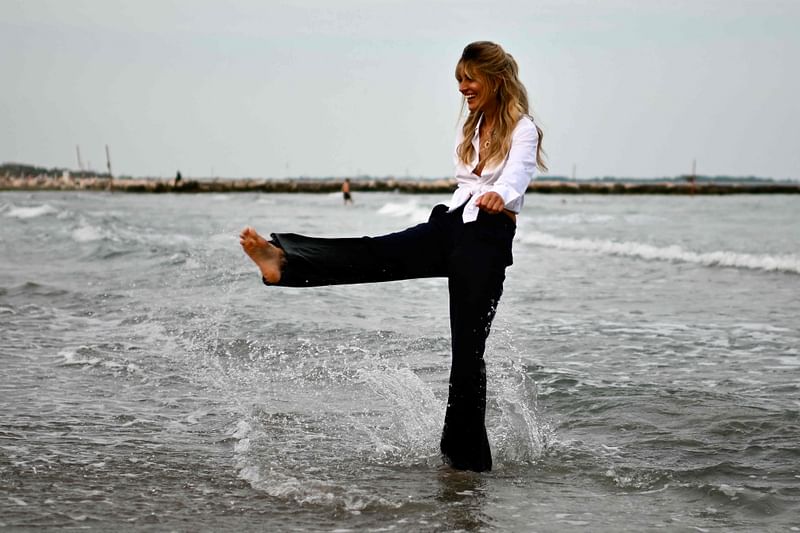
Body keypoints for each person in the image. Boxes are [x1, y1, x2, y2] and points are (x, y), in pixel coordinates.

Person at [240, 41, 546, 472]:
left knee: (467, 355)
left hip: (488, 240)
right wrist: (472, 202)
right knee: (375, 251)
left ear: (495, 79)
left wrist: (502, 194)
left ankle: (466, 465)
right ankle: (284, 263)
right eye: (459, 80)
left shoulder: (523, 128)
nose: (462, 88)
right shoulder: (472, 128)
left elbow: (517, 177)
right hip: (453, 224)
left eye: (469, 79)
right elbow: (466, 184)